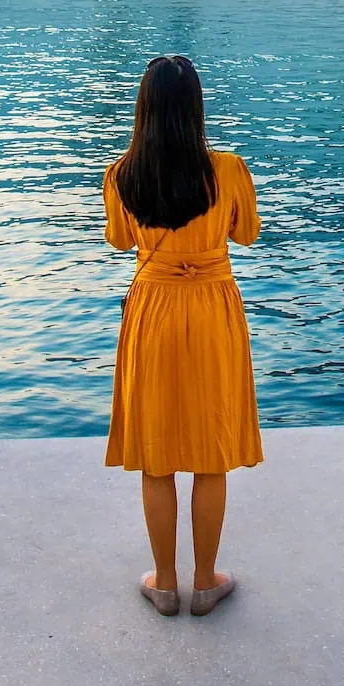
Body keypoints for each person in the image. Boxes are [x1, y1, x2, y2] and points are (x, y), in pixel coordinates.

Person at [103, 53, 262, 618]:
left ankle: (165, 583)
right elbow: (247, 233)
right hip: (212, 310)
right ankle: (206, 579)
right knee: (209, 450)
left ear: (143, 109)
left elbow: (121, 242)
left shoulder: (123, 173)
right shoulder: (229, 169)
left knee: (157, 454)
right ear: (196, 107)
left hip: (153, 312)